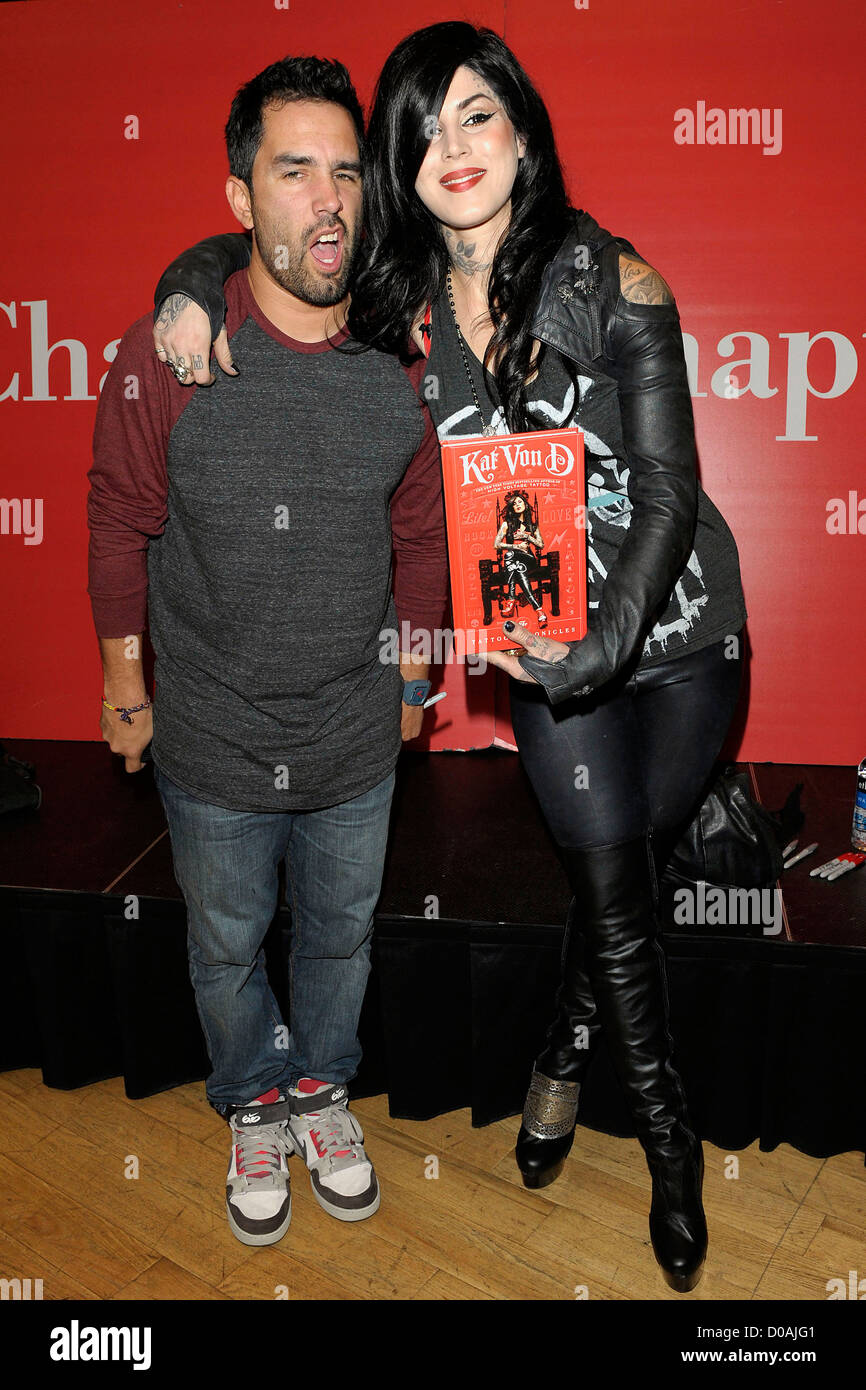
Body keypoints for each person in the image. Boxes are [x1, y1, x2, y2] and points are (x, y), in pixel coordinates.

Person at [149, 23, 748, 1293]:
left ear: (522, 131)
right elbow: (269, 243)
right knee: (614, 886)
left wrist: (599, 654)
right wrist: (186, 282)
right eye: (422, 128)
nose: (452, 148)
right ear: (395, 163)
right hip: (538, 655)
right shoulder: (399, 285)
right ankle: (671, 1145)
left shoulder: (616, 282)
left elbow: (667, 497)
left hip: (679, 635)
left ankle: (567, 1060)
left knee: (615, 880)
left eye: (478, 115)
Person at [87, 55, 448, 1248]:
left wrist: (413, 674)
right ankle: (251, 1096)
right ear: (239, 197)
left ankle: (321, 1088)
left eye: (344, 170)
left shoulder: (402, 356)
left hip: (353, 732)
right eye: (292, 171)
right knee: (226, 942)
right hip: (212, 736)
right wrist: (123, 680)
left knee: (342, 935)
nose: (327, 199)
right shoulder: (170, 353)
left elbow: (419, 527)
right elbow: (117, 517)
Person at [494, 490, 546, 625]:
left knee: (510, 556)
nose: (517, 505)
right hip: (516, 561)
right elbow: (496, 544)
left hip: (529, 558)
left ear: (525, 505)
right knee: (517, 566)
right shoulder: (506, 524)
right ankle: (539, 611)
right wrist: (517, 547)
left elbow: (541, 544)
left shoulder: (532, 526)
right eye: (514, 503)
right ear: (511, 508)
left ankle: (510, 600)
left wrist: (527, 537)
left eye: (520, 502)